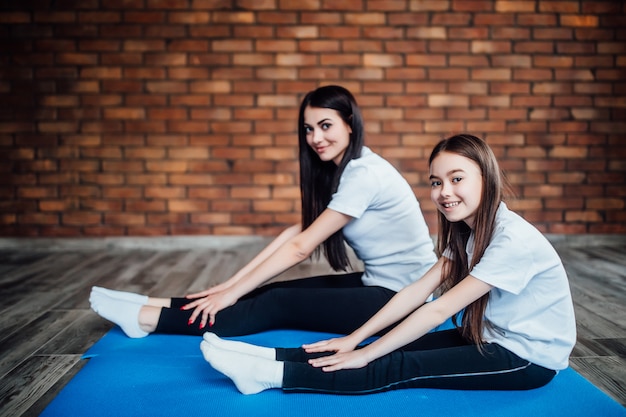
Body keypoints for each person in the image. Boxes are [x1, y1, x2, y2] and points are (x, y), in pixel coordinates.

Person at [200, 133, 577, 395]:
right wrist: (356, 338)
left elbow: (440, 308)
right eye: (435, 182)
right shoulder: (469, 232)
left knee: (399, 365)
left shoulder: (511, 238)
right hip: (491, 337)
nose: (444, 192)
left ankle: (270, 374)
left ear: (486, 177)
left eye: (456, 178)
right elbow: (416, 291)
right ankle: (266, 355)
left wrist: (365, 352)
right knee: (385, 347)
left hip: (526, 359)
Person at [89, 85, 437, 339]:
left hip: (405, 301)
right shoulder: (348, 169)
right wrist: (232, 284)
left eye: (325, 125)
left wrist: (233, 292)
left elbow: (301, 248)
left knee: (276, 303)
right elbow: (293, 235)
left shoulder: (364, 174)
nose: (316, 137)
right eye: (308, 129)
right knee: (265, 292)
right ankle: (158, 302)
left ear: (349, 123)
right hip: (383, 285)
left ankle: (146, 318)